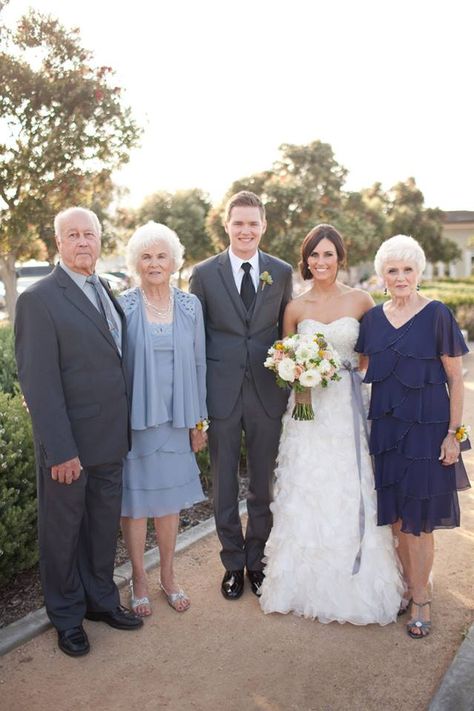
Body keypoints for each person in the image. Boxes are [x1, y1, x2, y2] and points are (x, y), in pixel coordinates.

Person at [14, 207, 143, 658]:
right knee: (63, 533)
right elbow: (39, 383)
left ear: (100, 240)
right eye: (74, 234)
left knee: (100, 528)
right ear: (58, 243)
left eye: (90, 234)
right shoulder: (39, 299)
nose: (83, 241)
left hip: (110, 440)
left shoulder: (105, 289)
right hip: (70, 447)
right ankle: (67, 617)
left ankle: (100, 601)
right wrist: (60, 450)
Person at [259, 224, 403, 624]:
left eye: (329, 255)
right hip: (306, 410)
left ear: (340, 258)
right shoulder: (294, 307)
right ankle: (301, 583)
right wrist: (298, 376)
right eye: (314, 255)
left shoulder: (361, 300)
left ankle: (357, 583)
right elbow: (282, 359)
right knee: (307, 485)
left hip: (346, 406)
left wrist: (346, 372)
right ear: (305, 260)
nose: (321, 262)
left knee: (350, 485)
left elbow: (373, 354)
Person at [355, 234, 471, 638]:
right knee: (398, 518)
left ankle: (421, 595)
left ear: (418, 273)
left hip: (428, 433)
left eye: (407, 269)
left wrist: (454, 435)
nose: (400, 277)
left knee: (420, 521)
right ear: (381, 276)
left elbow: (456, 380)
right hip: (387, 431)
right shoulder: (371, 321)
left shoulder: (437, 314)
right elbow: (360, 368)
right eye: (392, 270)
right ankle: (407, 585)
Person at [190, 191, 293, 599]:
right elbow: (196, 341)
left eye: (253, 223)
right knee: (225, 486)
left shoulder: (281, 272)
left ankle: (257, 562)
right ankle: (232, 563)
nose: (246, 230)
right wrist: (197, 407)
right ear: (227, 226)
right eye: (239, 223)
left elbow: (287, 333)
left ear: (263, 226)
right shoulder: (204, 273)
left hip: (269, 394)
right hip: (222, 395)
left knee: (263, 485)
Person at [119, 222, 207, 616]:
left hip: (178, 419)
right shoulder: (123, 306)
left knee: (169, 503)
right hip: (136, 422)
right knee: (136, 505)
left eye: (161, 256)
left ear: (174, 262)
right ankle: (139, 578)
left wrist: (199, 423)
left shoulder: (190, 306)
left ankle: (168, 577)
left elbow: (201, 365)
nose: (154, 263)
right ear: (136, 262)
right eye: (146, 256)